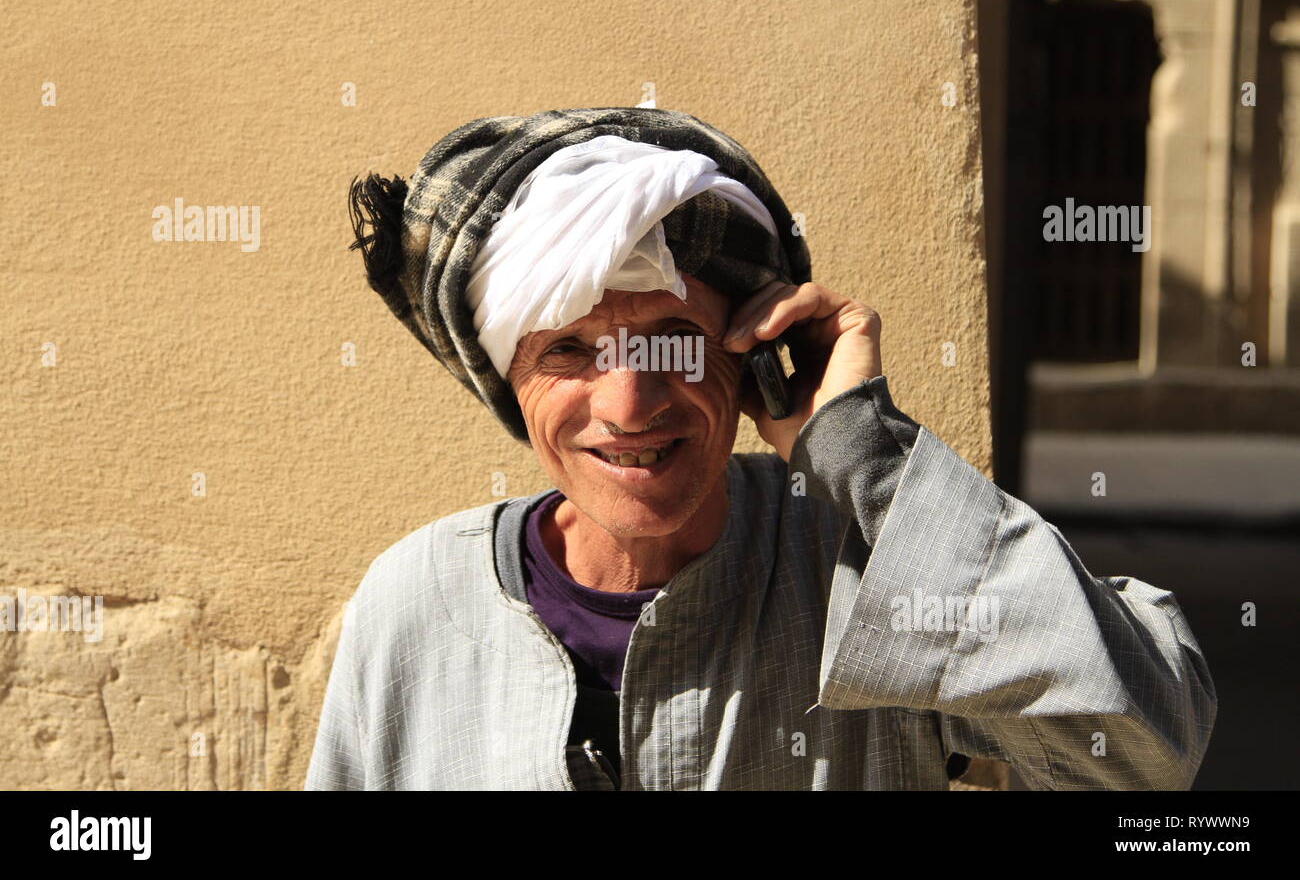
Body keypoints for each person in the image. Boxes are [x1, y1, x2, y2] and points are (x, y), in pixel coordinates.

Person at [305, 107, 1216, 790]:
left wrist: (867, 453)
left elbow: (1147, 753)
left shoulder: (867, 567)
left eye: (673, 339)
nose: (628, 404)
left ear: (751, 360)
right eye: (568, 350)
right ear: (511, 381)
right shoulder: (418, 601)